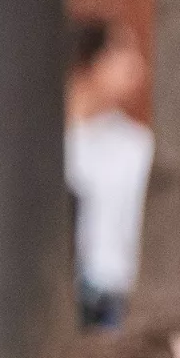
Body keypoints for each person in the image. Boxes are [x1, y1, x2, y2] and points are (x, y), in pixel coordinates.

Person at [65, 17, 153, 327]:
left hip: (118, 305)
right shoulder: (42, 148)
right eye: (121, 51)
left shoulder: (139, 147)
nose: (137, 65)